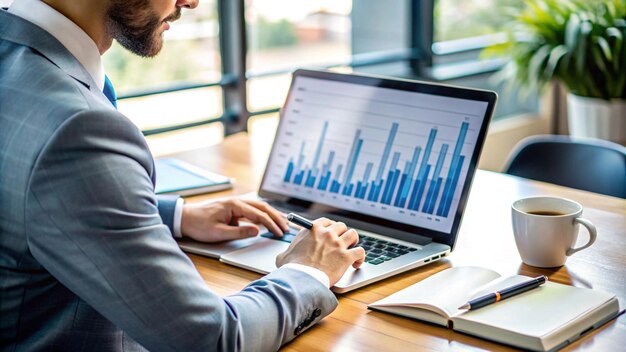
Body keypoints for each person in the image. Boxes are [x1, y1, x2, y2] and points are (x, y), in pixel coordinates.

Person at [0, 0, 366, 350]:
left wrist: (176, 217)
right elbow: (212, 339)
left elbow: (23, 188)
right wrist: (308, 271)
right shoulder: (79, 127)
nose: (191, 2)